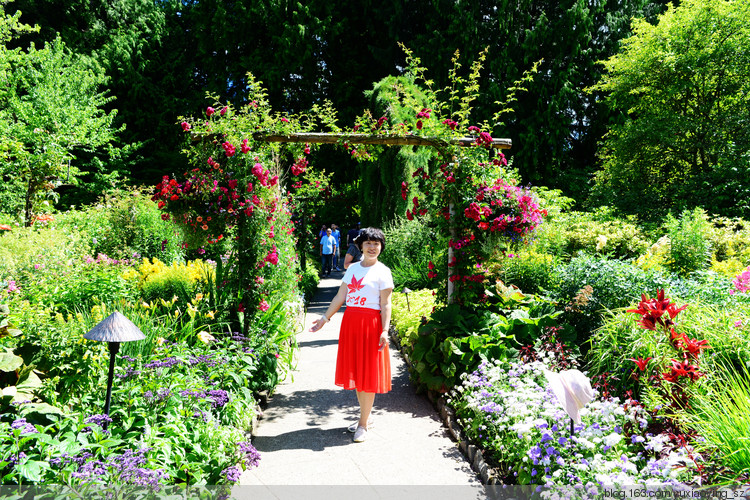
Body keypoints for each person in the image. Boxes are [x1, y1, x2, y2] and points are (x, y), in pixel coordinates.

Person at [309, 227, 393, 443]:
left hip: (371, 326)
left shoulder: (383, 271)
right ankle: (365, 417)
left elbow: (385, 304)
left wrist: (384, 330)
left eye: (376, 244)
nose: (372, 247)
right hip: (351, 324)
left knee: (368, 376)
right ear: (361, 246)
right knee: (357, 373)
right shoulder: (353, 269)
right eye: (368, 243)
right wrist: (324, 319)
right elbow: (340, 296)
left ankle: (363, 424)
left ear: (381, 247)